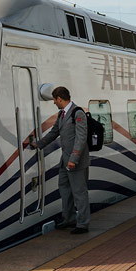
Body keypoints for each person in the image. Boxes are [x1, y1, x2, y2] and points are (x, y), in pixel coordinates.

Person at [27, 86, 90, 234]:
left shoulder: (77, 113)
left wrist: (74, 159)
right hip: (65, 160)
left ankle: (83, 224)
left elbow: (81, 139)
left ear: (60, 98)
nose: (54, 102)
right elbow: (54, 132)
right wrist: (39, 144)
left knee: (79, 193)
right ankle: (69, 219)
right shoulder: (62, 114)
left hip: (76, 162)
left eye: (55, 100)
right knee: (65, 189)